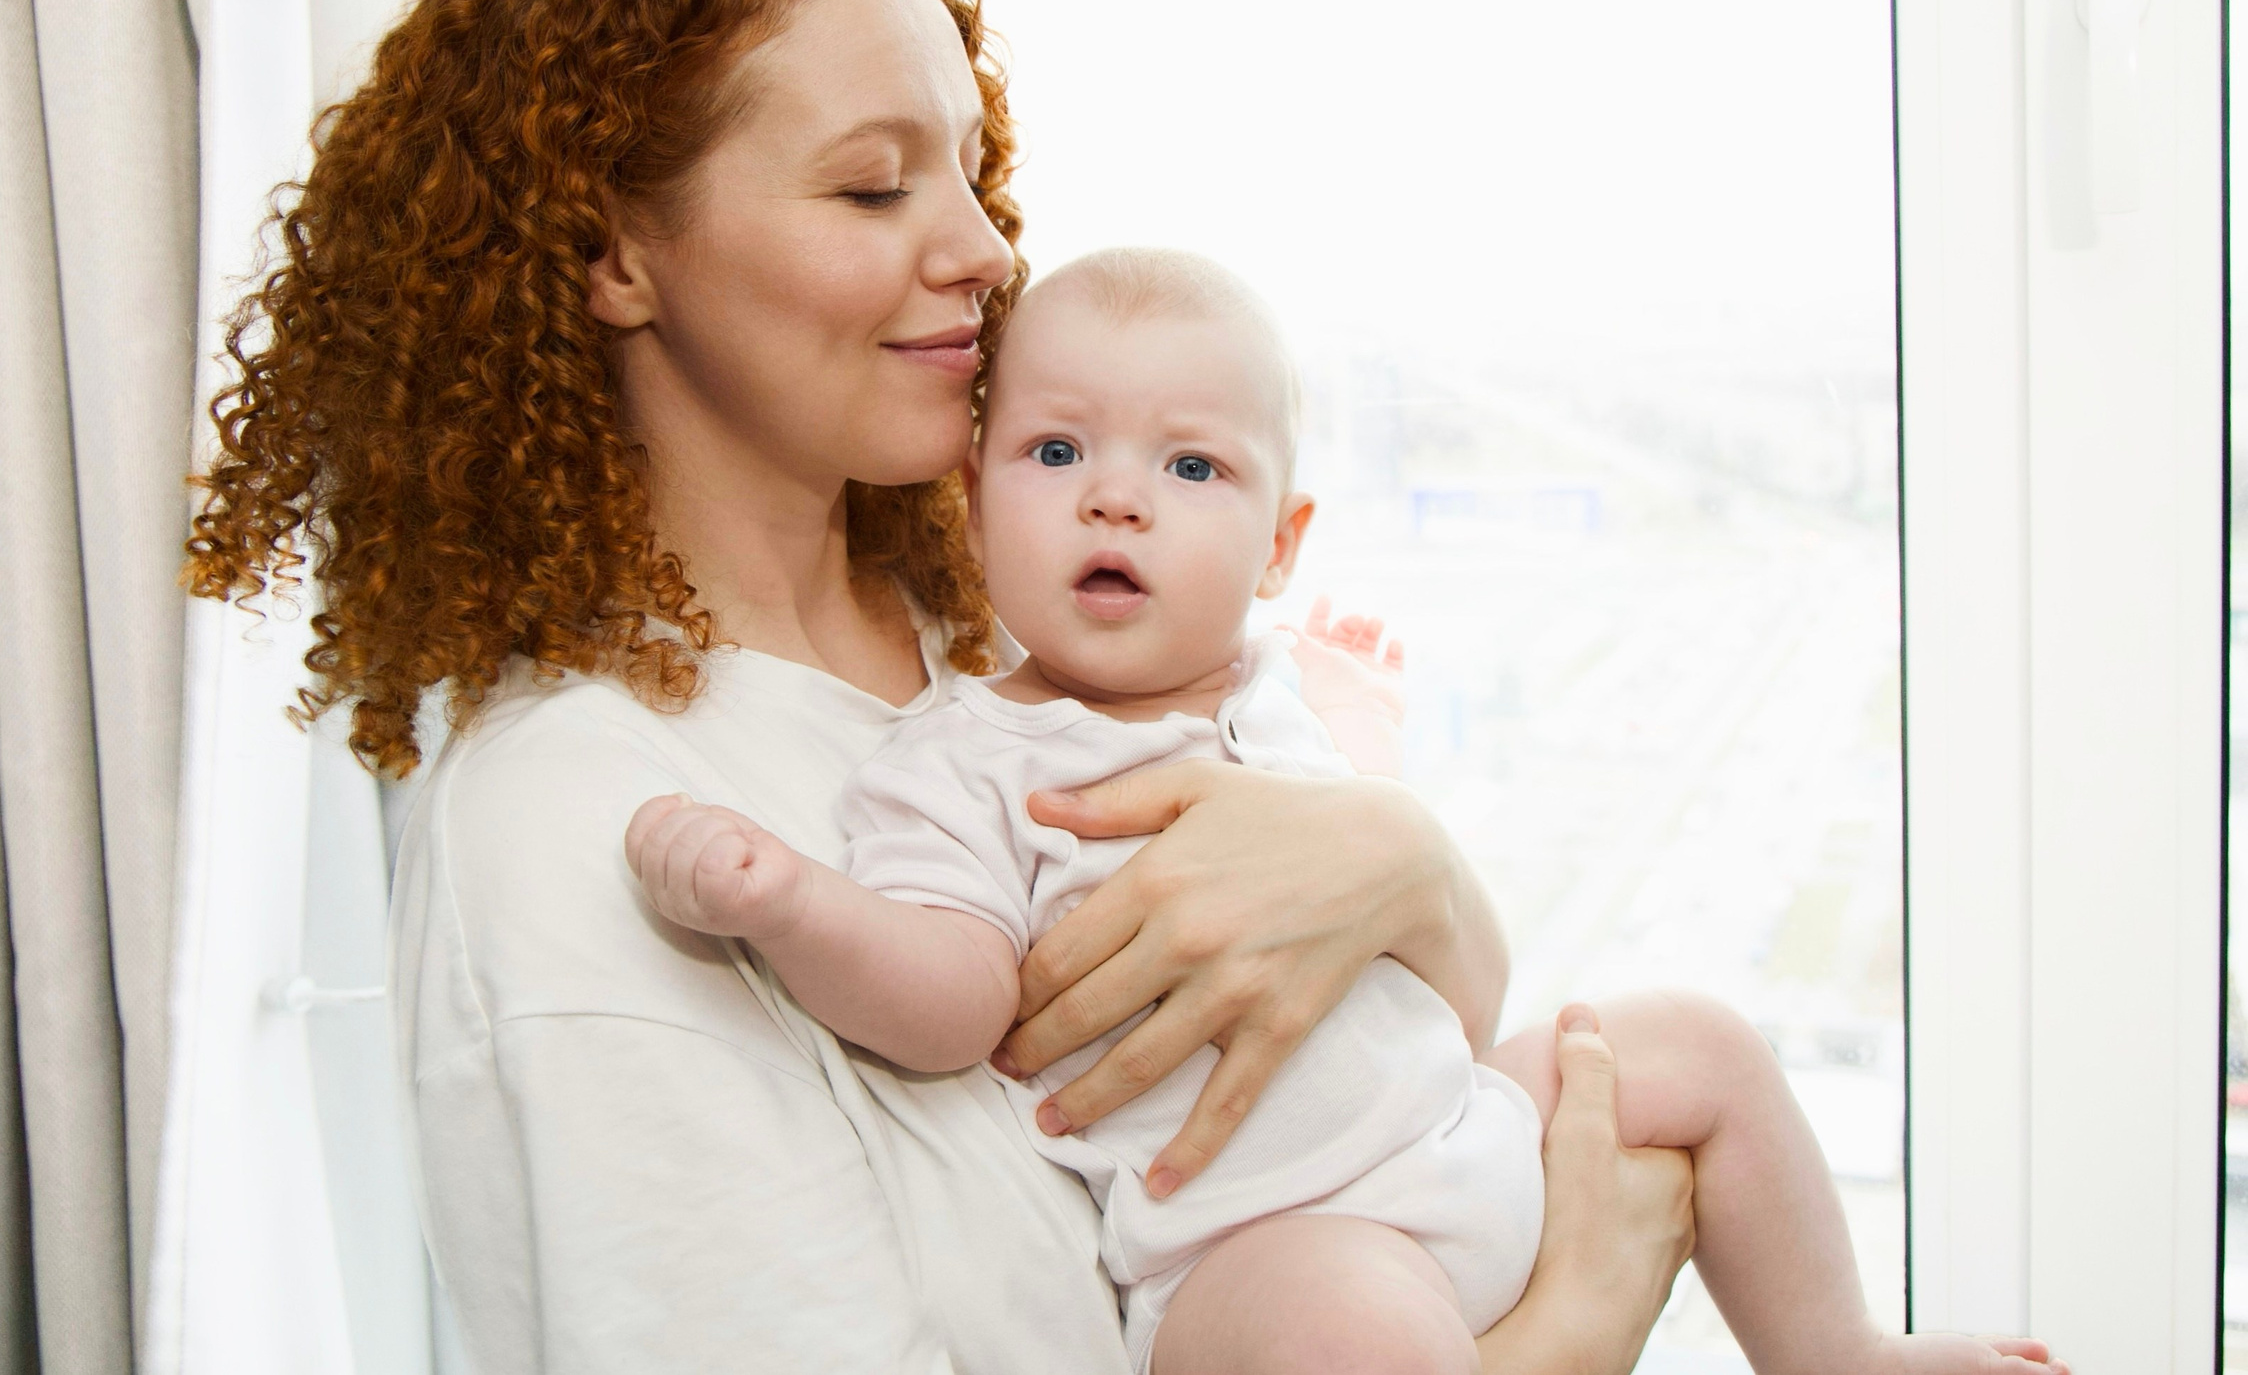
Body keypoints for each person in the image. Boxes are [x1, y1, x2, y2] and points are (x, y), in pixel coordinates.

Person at [187, 0, 1695, 1375]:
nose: (984, 252)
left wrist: (1407, 863)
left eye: (970, 170)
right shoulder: (585, 827)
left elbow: (1401, 1042)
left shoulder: (1010, 624)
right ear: (609, 254)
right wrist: (1569, 1329)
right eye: (872, 182)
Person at [625, 248, 2070, 1375]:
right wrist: (796, 904)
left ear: (1280, 545)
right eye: (1057, 453)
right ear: (974, 494)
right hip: (1256, 1250)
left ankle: (1834, 1350)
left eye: (1190, 467)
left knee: (1702, 1041)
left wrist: (1358, 724)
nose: (1115, 501)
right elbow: (953, 996)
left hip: (1460, 1130)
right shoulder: (962, 759)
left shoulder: (1277, 679)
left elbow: (1365, 826)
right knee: (1365, 1344)